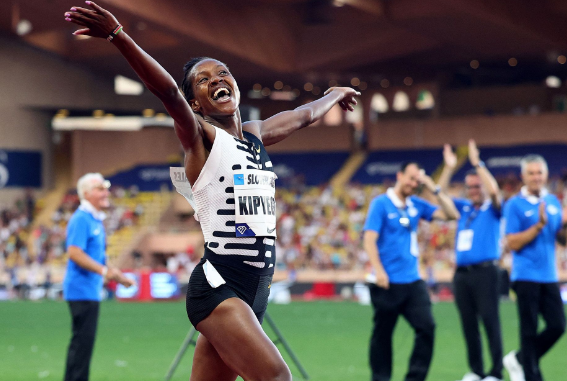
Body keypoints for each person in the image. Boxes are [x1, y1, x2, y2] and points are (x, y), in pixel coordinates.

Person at [64, 3, 360, 381]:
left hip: (255, 290)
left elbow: (303, 115)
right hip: (220, 287)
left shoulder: (254, 135)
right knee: (277, 377)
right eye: (204, 81)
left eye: (223, 73)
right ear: (195, 103)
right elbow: (168, 92)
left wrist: (334, 93)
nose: (217, 79)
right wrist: (118, 35)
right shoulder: (201, 138)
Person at [363, 161, 460, 381]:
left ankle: (414, 378)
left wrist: (433, 186)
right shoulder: (381, 204)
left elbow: (452, 215)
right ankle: (380, 378)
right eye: (411, 178)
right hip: (386, 282)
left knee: (427, 327)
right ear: (400, 176)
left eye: (418, 180)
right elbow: (369, 239)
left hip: (413, 281)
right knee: (382, 335)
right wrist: (379, 271)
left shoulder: (416, 204)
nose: (414, 183)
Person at [438, 141, 503, 381]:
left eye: (477, 186)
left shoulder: (493, 208)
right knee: (468, 326)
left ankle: (495, 372)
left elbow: (495, 191)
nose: (473, 190)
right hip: (462, 274)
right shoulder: (465, 208)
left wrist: (478, 164)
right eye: (470, 187)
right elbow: (439, 195)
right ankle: (476, 371)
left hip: (486, 272)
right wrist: (447, 168)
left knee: (490, 321)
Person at [63, 172, 134, 381]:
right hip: (81, 290)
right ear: (86, 194)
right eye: (100, 189)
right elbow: (74, 252)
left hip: (89, 290)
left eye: (106, 188)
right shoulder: (82, 219)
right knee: (81, 346)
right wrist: (105, 272)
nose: (106, 192)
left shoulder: (94, 219)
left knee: (83, 345)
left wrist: (117, 276)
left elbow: (100, 256)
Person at [502, 155, 566, 381]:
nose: (536, 177)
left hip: (549, 275)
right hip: (526, 275)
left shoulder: (553, 202)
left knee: (558, 326)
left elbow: (560, 239)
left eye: (539, 172)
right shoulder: (514, 205)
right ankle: (531, 376)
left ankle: (520, 359)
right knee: (528, 331)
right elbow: (512, 243)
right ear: (523, 176)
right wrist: (538, 226)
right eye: (531, 173)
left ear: (546, 175)